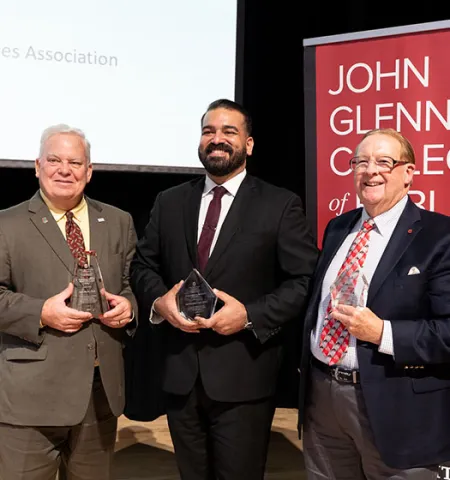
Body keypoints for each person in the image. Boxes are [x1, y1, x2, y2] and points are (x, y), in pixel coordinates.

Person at [130, 98, 318, 480]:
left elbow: (304, 281)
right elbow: (143, 265)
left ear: (248, 144)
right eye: (208, 131)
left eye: (229, 131)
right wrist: (160, 303)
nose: (217, 139)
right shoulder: (170, 202)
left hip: (244, 374)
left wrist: (250, 315)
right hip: (180, 374)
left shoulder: (280, 205)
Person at [298, 128, 450, 479]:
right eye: (361, 162)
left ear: (408, 173)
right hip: (322, 397)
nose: (371, 171)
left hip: (396, 405)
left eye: (384, 162)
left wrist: (382, 332)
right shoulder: (337, 228)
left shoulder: (439, 236)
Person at [0, 124, 137, 480]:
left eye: (75, 162)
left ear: (89, 171)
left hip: (99, 397)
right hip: (30, 399)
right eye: (54, 160)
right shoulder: (6, 224)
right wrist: (41, 313)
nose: (65, 170)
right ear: (37, 165)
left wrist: (128, 307)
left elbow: (127, 286)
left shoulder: (119, 222)